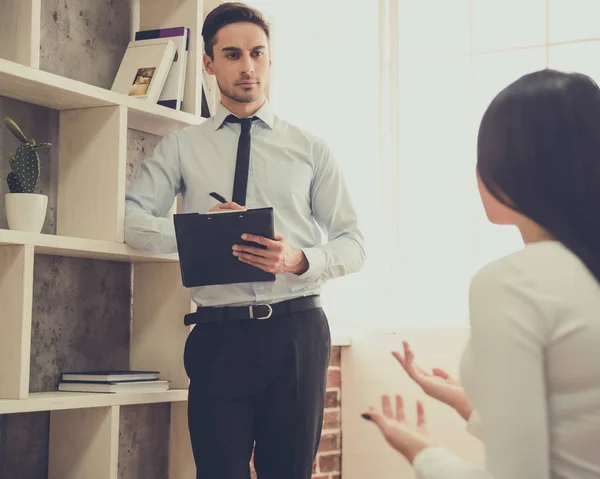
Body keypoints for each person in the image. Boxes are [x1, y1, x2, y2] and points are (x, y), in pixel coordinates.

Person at [123, 2, 365, 478]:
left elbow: (352, 243)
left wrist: (299, 258)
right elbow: (132, 219)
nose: (248, 66)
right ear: (209, 63)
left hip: (297, 336)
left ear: (271, 59)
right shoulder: (181, 146)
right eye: (232, 54)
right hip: (219, 337)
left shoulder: (311, 149)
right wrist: (201, 235)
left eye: (257, 53)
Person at [362, 69, 600, 478]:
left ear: (513, 166)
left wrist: (422, 452)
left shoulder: (513, 282)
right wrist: (465, 402)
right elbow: (577, 431)